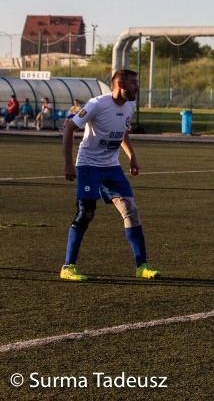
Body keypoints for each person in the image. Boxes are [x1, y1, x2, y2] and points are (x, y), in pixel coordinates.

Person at [59, 69, 160, 281]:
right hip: (88, 166)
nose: (137, 87)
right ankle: (68, 267)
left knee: (131, 211)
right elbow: (69, 128)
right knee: (86, 214)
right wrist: (68, 164)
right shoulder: (97, 104)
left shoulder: (130, 106)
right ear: (120, 84)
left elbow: (122, 131)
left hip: (112, 167)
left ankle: (142, 266)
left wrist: (131, 156)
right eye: (133, 83)